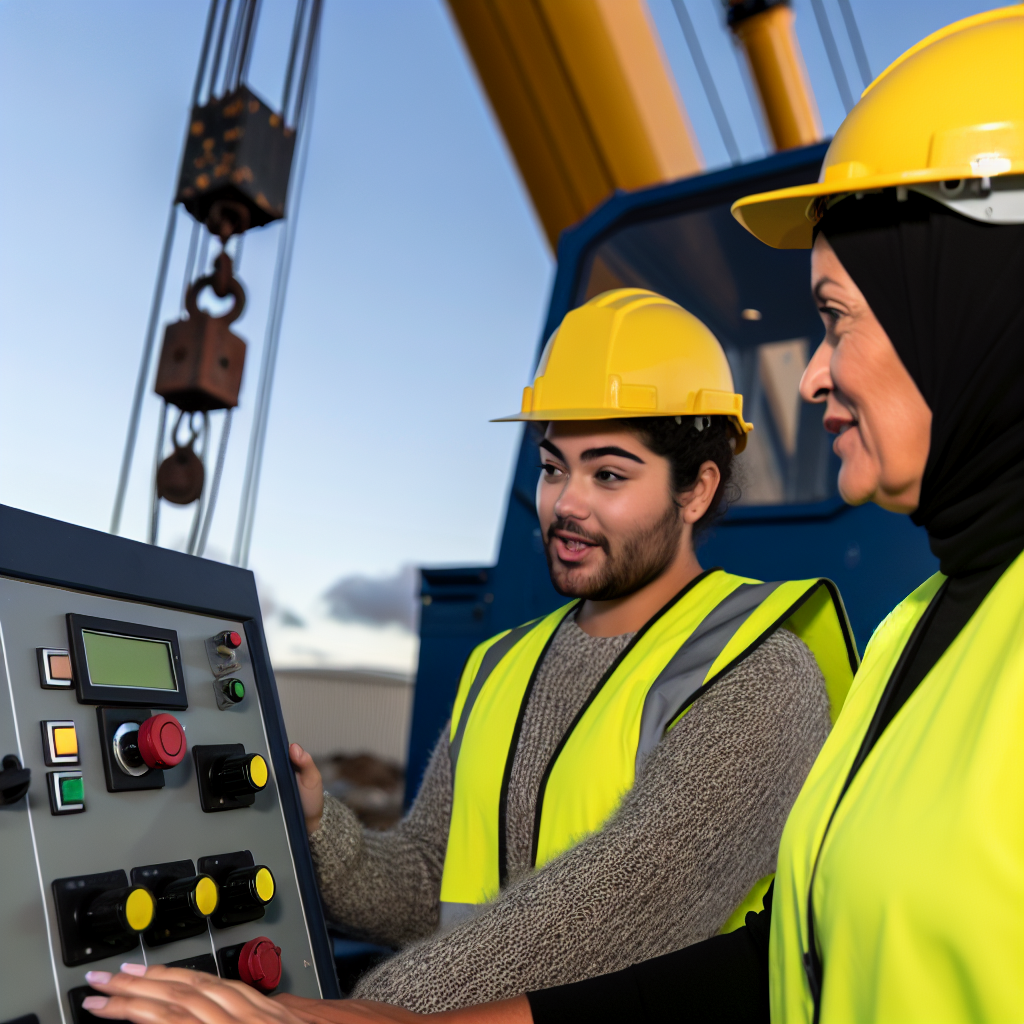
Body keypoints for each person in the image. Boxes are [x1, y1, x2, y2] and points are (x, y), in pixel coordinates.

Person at [81, 5, 1023, 1024]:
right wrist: (314, 824)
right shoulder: (503, 666)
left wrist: (350, 1012)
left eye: (609, 473)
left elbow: (610, 917)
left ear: (697, 489)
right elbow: (427, 884)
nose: (565, 504)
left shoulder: (760, 670)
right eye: (551, 464)